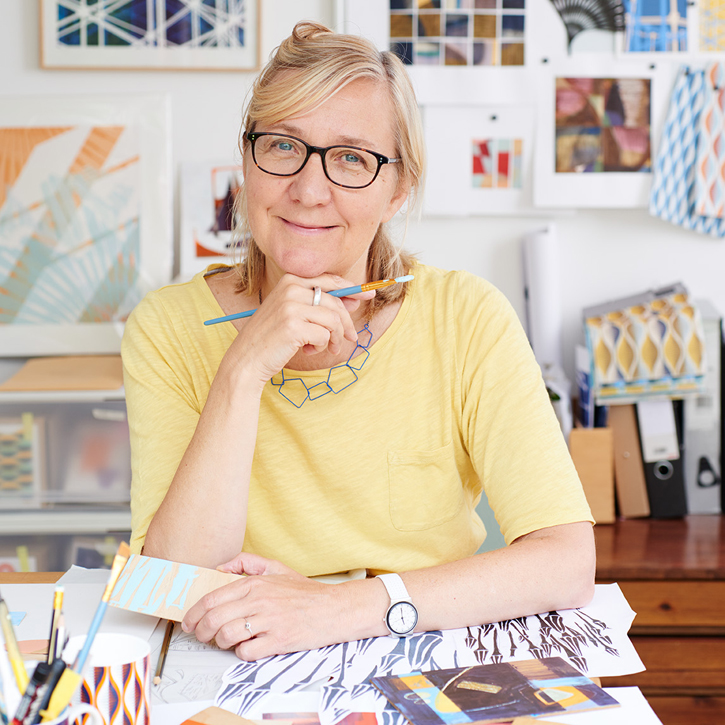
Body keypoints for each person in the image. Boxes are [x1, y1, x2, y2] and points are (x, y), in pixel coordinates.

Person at [121, 21, 595, 663]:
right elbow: (174, 587)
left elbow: (566, 564)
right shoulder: (168, 327)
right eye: (284, 146)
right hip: (236, 664)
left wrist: (339, 609)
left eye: (351, 158)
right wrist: (244, 367)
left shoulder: (466, 316)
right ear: (247, 159)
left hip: (423, 651)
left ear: (399, 188)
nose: (309, 190)